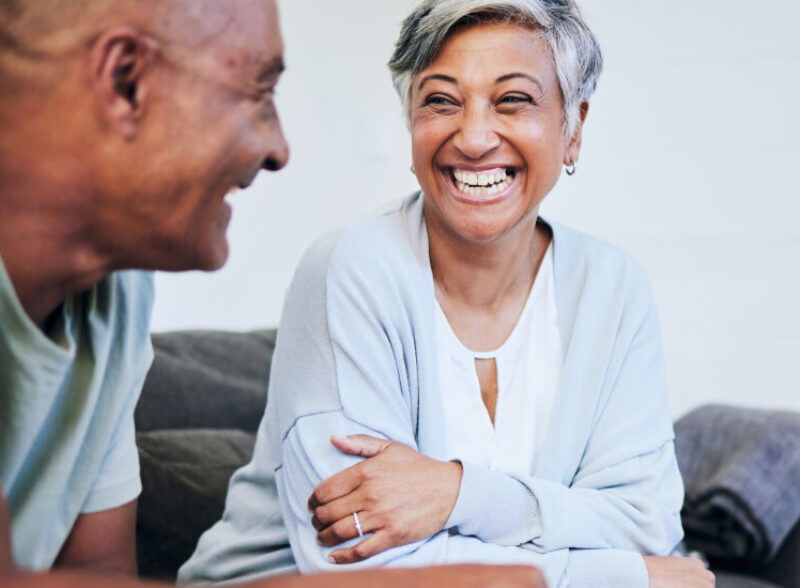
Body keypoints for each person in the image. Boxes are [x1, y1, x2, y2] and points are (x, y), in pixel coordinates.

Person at [0, 0, 544, 587]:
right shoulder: (356, 264)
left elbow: (97, 573)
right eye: (258, 93)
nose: (279, 149)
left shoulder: (114, 293)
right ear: (126, 80)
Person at [180, 1, 716, 587]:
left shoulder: (614, 287)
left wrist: (458, 493)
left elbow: (644, 525)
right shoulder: (351, 269)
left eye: (513, 100)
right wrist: (631, 578)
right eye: (440, 100)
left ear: (574, 129)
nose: (475, 137)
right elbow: (359, 560)